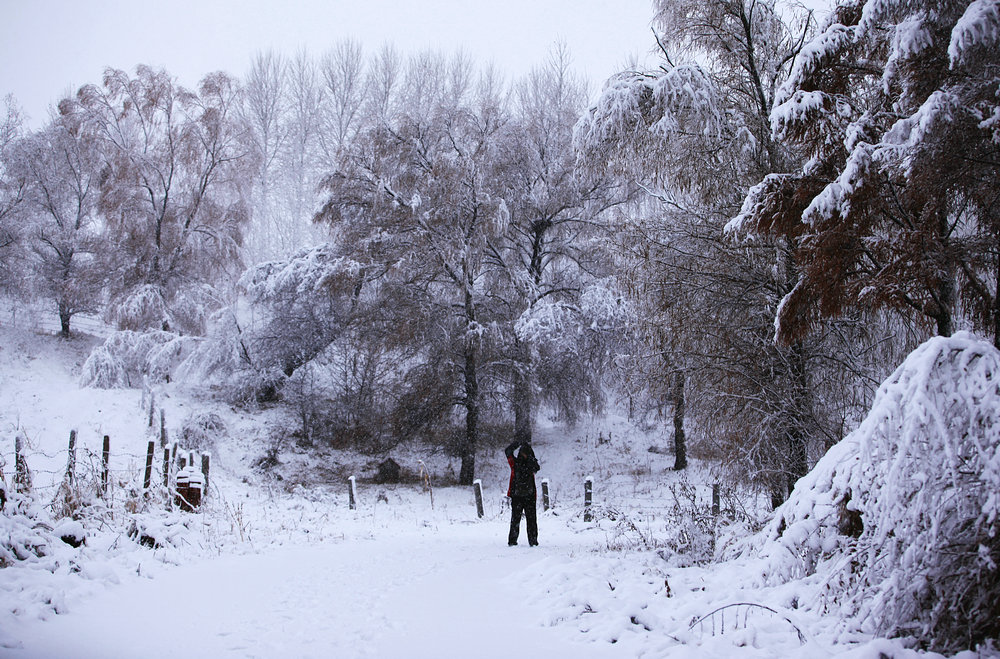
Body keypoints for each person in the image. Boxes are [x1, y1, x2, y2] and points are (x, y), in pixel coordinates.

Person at [505, 439, 540, 546]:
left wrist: (518, 442)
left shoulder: (515, 464)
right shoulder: (531, 465)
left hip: (517, 496)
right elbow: (536, 467)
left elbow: (508, 451)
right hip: (529, 496)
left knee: (515, 519)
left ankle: (512, 541)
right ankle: (533, 541)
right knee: (531, 520)